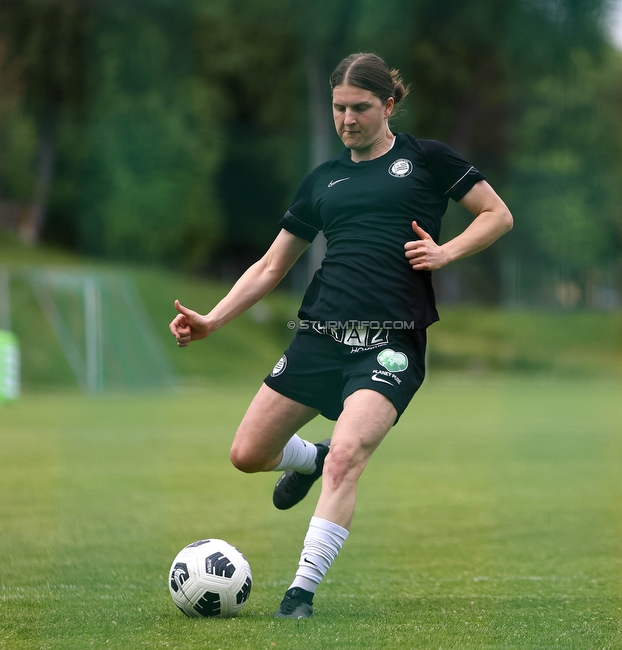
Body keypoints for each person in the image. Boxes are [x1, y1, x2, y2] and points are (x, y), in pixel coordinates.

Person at [169, 52, 512, 618]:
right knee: (248, 454)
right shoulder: (323, 179)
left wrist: (445, 251)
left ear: (388, 105)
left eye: (360, 107)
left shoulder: (425, 159)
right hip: (320, 336)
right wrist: (212, 319)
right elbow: (269, 266)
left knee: (348, 457)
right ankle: (310, 459)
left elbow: (496, 214)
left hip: (391, 343)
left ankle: (300, 593)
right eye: (338, 108)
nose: (347, 119)